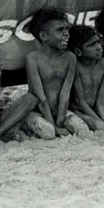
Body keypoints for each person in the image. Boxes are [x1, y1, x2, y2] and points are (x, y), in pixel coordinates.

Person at [24, 9, 89, 138]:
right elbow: (40, 97)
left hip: (61, 111)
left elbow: (65, 94)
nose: (66, 34)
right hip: (38, 111)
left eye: (67, 29)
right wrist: (54, 127)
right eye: (60, 30)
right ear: (43, 36)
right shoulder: (33, 58)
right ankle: (26, 126)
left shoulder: (70, 58)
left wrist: (59, 122)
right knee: (49, 132)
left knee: (83, 130)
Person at [66, 25, 104, 130]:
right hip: (77, 110)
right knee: (100, 126)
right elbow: (80, 101)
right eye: (91, 45)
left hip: (95, 108)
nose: (98, 47)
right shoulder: (76, 66)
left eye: (98, 42)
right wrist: (101, 122)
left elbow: (100, 99)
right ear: (78, 52)